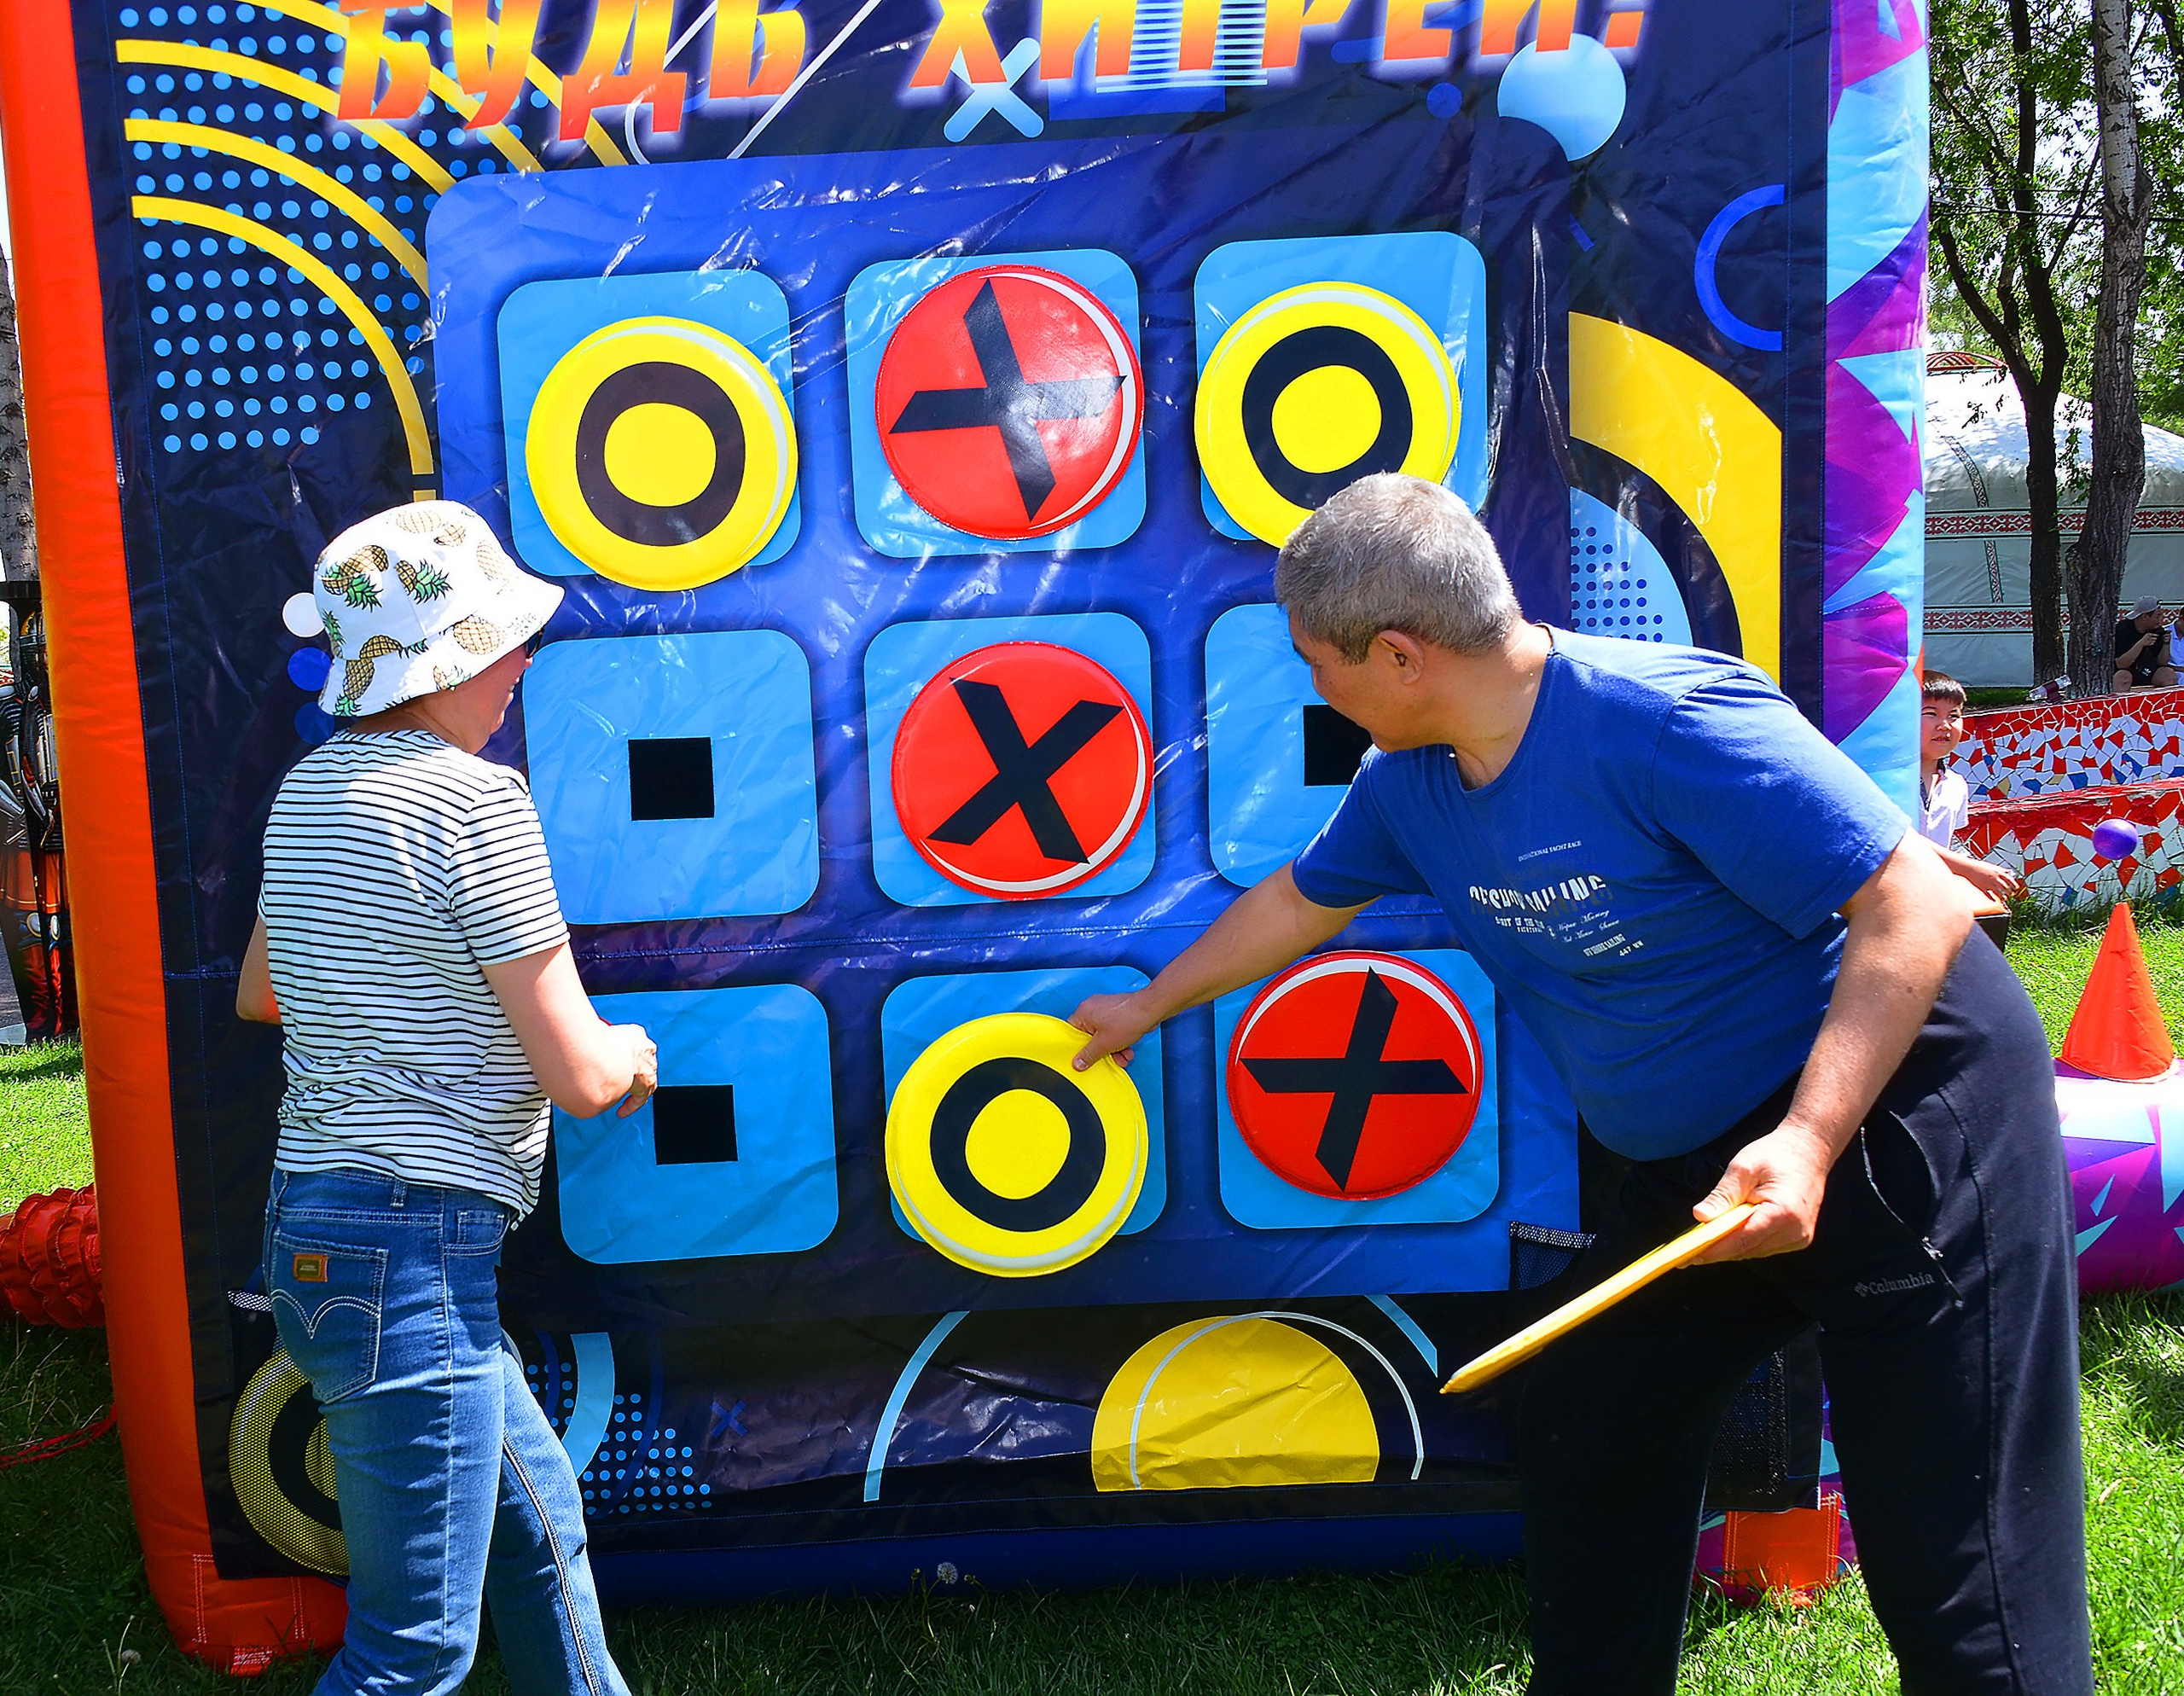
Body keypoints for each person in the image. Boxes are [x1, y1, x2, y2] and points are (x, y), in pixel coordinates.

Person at [1068, 475, 2091, 1695]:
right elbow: (1300, 902)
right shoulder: (1412, 782)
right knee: (1593, 1418)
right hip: (1691, 1166)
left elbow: (1914, 902)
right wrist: (1142, 1008)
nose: (1312, 689)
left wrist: (1811, 1141)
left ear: (1399, 655)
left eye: (1316, 663)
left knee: (1953, 1545)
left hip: (1893, 1116)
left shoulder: (1659, 720)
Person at [237, 502, 657, 1696]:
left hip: (322, 1235)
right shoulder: (479, 806)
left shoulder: (306, 795)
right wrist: (629, 1052)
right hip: (413, 1252)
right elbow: (580, 1077)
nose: (523, 664)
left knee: (538, 1534)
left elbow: (267, 992)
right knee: (410, 1652)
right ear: (452, 657)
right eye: (506, 641)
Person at [1917, 669, 2021, 901]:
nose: (1944, 725)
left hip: (1934, 897)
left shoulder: (1956, 785)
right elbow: (1899, 842)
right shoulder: (1888, 781)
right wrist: (1970, 869)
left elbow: (1948, 844)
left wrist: (1984, 872)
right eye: (1931, 713)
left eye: (1953, 716)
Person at [2112, 595, 2175, 691]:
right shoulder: (2122, 630)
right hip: (2127, 671)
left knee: (2168, 674)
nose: (2160, 620)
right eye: (2157, 616)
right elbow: (2121, 664)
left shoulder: (2158, 630)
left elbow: (2163, 663)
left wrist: (2166, 644)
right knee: (2123, 678)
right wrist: (2141, 644)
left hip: (2148, 671)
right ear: (2145, 617)